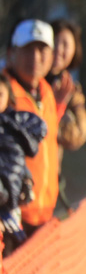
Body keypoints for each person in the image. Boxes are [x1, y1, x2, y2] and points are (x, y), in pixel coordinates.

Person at [2, 19, 61, 243]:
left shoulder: (47, 92)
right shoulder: (4, 94)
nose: (36, 58)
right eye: (28, 50)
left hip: (45, 212)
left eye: (42, 49)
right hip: (12, 218)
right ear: (12, 53)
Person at [0, 72, 47, 256]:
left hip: (12, 207)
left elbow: (19, 163)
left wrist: (26, 182)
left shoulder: (13, 128)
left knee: (15, 256)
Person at [48, 18, 86, 212]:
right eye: (54, 42)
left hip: (49, 177)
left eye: (65, 44)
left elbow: (79, 135)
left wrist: (58, 109)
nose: (58, 49)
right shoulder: (27, 81)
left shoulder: (72, 91)